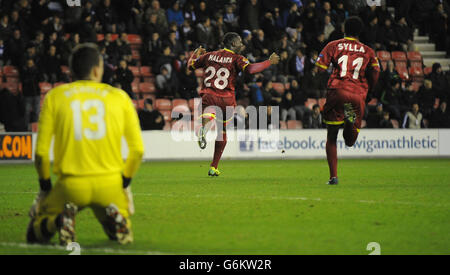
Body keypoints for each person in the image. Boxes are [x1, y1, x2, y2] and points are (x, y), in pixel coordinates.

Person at [26, 43, 144, 246]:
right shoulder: (120, 97)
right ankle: (115, 217)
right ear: (98, 69)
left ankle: (59, 221)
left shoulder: (55, 97)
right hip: (109, 185)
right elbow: (137, 150)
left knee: (34, 235)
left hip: (72, 186)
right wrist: (124, 184)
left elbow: (41, 153)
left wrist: (45, 188)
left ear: (71, 71)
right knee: (115, 232)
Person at [187, 32, 279, 176]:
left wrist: (195, 54)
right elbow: (251, 70)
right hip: (228, 99)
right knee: (222, 130)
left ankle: (204, 127)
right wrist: (269, 62)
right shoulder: (237, 58)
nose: (242, 44)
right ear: (234, 44)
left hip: (210, 95)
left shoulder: (209, 55)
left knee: (210, 111)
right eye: (240, 41)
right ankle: (213, 167)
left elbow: (190, 66)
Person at [315, 16, 380, 185]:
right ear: (360, 32)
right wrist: (370, 90)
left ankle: (333, 177)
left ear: (344, 29)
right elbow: (375, 73)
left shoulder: (333, 45)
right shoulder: (368, 51)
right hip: (357, 94)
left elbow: (319, 68)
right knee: (350, 142)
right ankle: (349, 121)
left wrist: (324, 82)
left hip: (337, 91)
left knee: (331, 136)